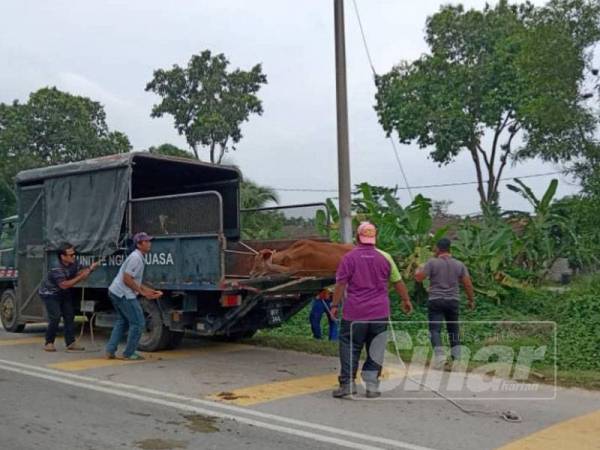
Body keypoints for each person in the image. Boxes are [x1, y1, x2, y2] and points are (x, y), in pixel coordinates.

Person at [330, 222, 413, 398]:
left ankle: (347, 384)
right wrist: (406, 300)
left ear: (357, 237)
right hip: (379, 313)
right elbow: (398, 282)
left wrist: (335, 304)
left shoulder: (349, 258)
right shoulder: (386, 257)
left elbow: (340, 284)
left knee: (349, 347)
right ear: (375, 238)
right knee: (376, 348)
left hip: (355, 313)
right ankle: (372, 386)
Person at [415, 237, 475, 369]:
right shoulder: (459, 264)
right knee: (453, 329)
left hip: (436, 300)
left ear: (437, 248)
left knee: (435, 330)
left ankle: (440, 358)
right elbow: (468, 284)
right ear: (449, 248)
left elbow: (419, 278)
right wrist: (471, 300)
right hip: (453, 300)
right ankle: (456, 359)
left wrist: (419, 268)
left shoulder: (432, 263)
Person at [105, 232, 163, 360]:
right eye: (146, 242)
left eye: (149, 241)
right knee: (138, 323)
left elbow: (135, 281)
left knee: (123, 321)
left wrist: (149, 291)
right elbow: (127, 279)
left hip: (116, 291)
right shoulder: (136, 258)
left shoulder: (137, 257)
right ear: (139, 244)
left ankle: (110, 350)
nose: (149, 244)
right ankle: (129, 353)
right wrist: (141, 292)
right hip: (123, 293)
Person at [39, 243, 99, 352]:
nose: (74, 256)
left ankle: (71, 342)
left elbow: (80, 272)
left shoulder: (73, 263)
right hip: (50, 293)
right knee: (55, 317)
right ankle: (49, 342)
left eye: (74, 254)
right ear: (63, 256)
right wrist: (81, 276)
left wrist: (90, 269)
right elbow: (64, 284)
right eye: (71, 255)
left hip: (64, 293)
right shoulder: (56, 267)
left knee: (69, 315)